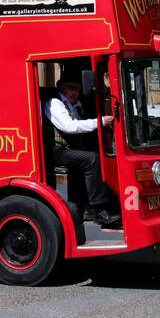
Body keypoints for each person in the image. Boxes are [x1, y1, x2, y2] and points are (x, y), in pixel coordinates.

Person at [45, 79, 121, 227]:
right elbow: (70, 127)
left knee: (100, 155)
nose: (74, 92)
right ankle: (96, 209)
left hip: (71, 150)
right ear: (60, 87)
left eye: (77, 89)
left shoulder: (77, 107)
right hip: (57, 151)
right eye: (70, 88)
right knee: (91, 159)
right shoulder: (55, 103)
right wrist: (99, 122)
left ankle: (108, 203)